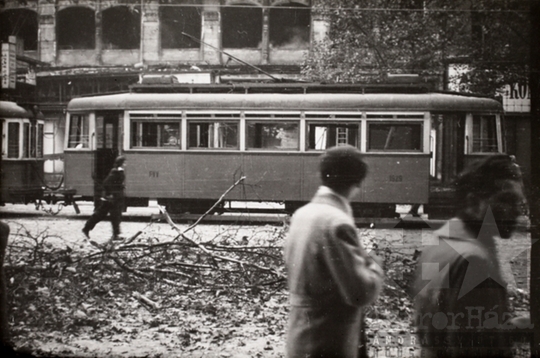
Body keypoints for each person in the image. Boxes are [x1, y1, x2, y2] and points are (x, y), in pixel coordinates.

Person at [412, 154, 530, 357]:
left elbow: (452, 327)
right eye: (506, 200)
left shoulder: (437, 247)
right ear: (473, 202)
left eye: (518, 202)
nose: (515, 211)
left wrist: (510, 329)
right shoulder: (474, 262)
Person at [284, 145, 384, 358]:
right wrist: (375, 265)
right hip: (328, 341)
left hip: (300, 337)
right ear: (358, 180)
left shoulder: (302, 214)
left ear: (323, 175)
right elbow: (359, 293)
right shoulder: (337, 223)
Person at [83, 155, 126, 241]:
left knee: (113, 216)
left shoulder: (118, 171)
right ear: (121, 163)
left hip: (114, 198)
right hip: (112, 198)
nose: (125, 164)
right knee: (102, 215)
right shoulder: (115, 172)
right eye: (124, 162)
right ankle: (86, 228)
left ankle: (115, 235)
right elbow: (106, 183)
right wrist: (111, 193)